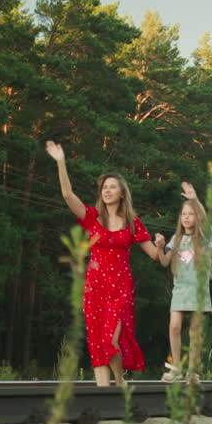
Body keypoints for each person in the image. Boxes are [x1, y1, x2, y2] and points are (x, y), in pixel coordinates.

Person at [46, 140, 164, 387]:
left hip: (120, 287)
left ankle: (119, 382)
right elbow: (68, 195)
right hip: (95, 286)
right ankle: (104, 393)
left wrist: (162, 246)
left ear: (122, 193)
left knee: (111, 338)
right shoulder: (92, 218)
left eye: (112, 187)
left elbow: (155, 256)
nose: (107, 191)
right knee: (98, 342)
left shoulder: (132, 222)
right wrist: (60, 162)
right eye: (104, 188)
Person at [157, 182, 212, 381]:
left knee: (194, 332)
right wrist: (159, 246)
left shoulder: (204, 236)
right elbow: (165, 262)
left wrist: (194, 199)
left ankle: (192, 372)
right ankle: (176, 367)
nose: (187, 217)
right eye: (184, 214)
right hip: (180, 288)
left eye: (191, 214)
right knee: (174, 326)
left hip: (198, 290)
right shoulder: (176, 238)